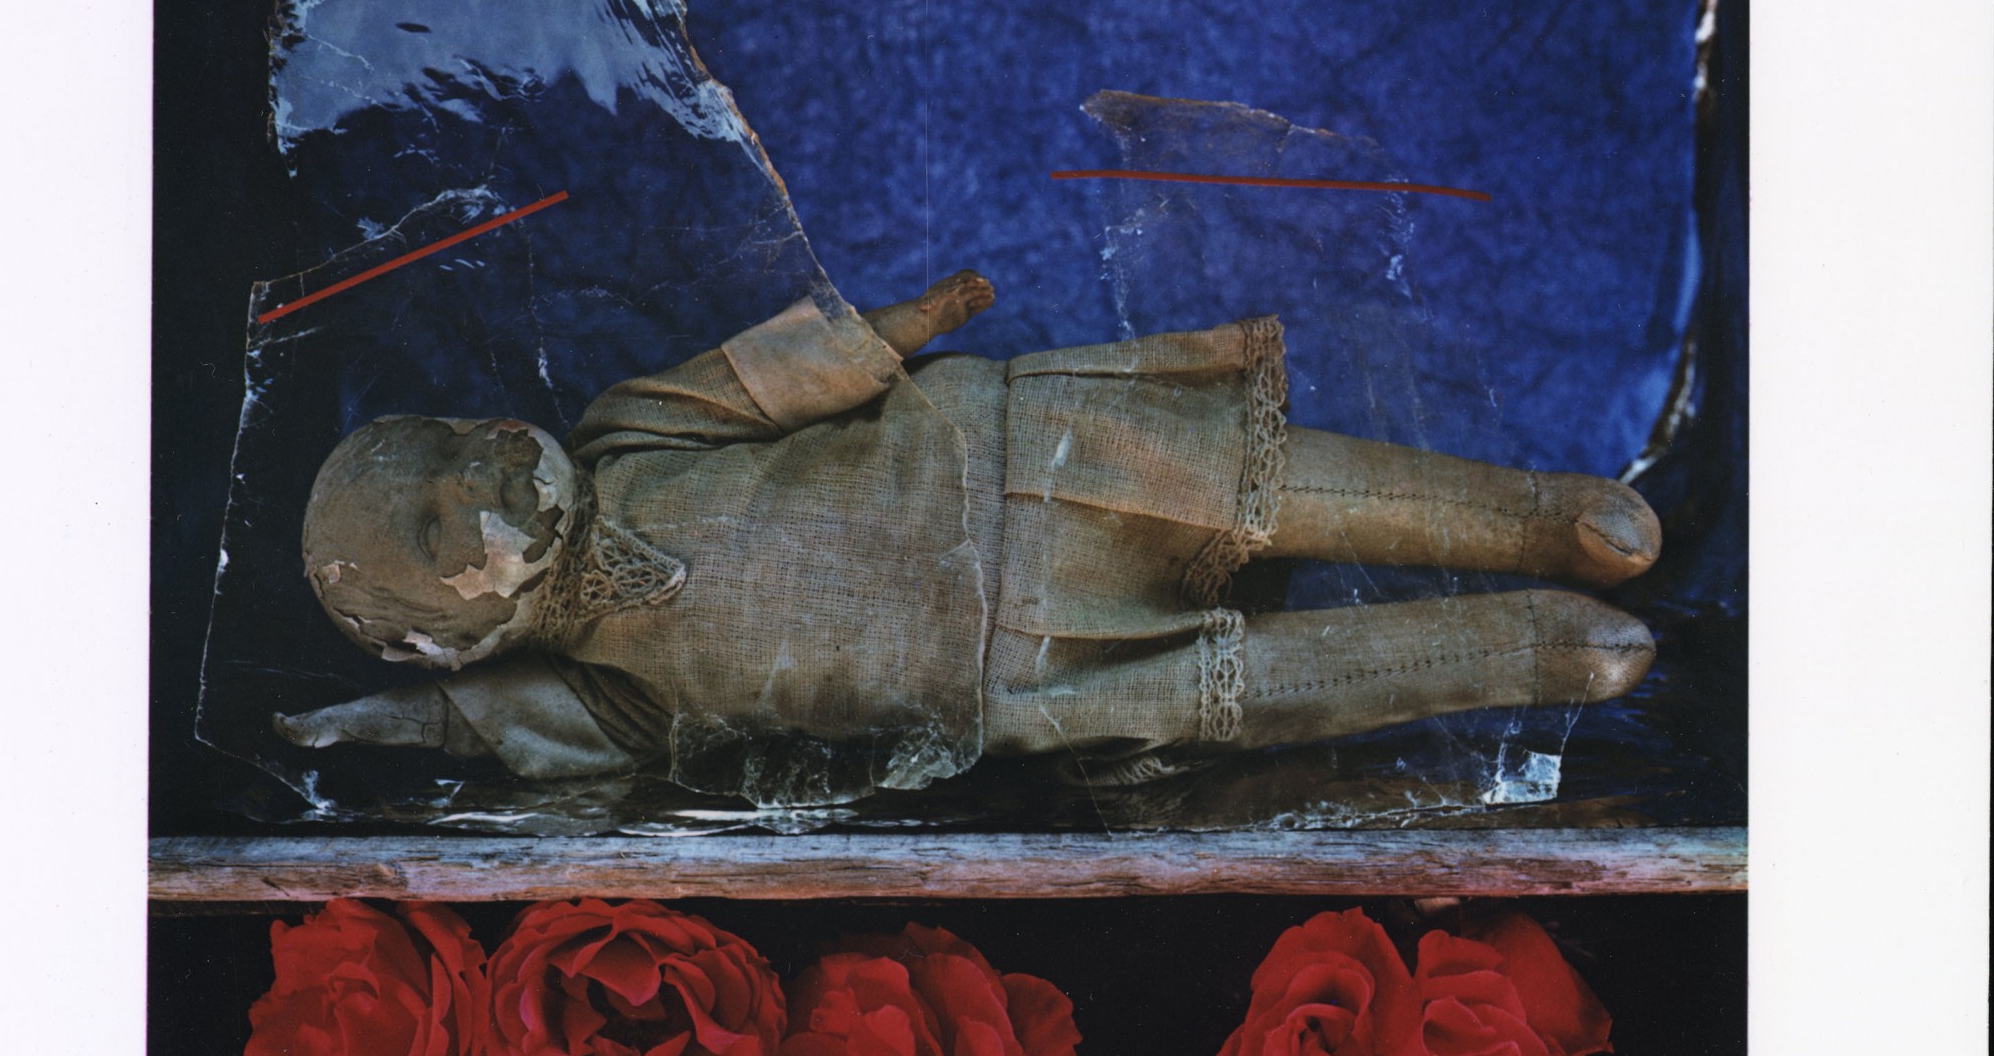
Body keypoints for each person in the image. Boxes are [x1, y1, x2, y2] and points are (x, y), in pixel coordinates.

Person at [276, 270, 1658, 791]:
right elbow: (495, 735)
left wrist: (897, 330)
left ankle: (1541, 519)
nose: (484, 467)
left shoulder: (623, 438)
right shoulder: (611, 693)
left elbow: (764, 382)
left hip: (999, 465)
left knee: (1282, 486)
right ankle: (1529, 648)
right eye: (443, 519)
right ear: (448, 637)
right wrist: (379, 723)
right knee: (1260, 688)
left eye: (456, 439)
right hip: (1007, 675)